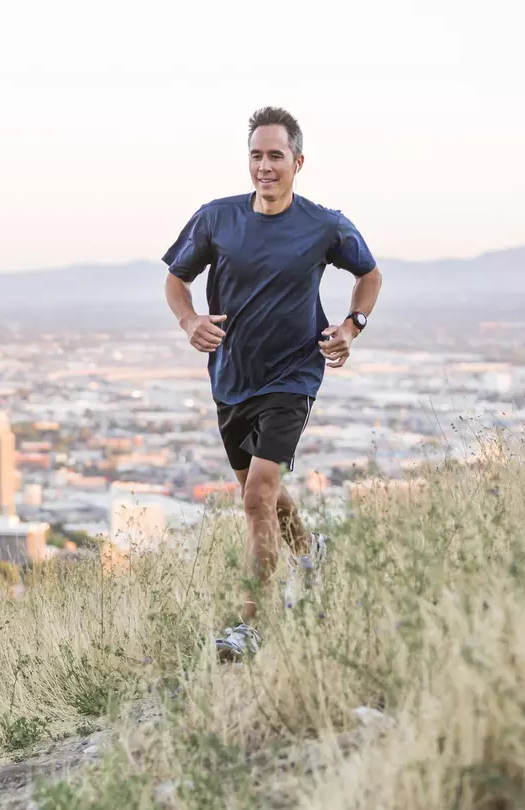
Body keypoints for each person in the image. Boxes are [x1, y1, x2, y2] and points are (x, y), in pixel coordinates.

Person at [162, 106, 383, 658]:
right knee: (258, 494)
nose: (265, 166)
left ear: (297, 161)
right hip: (232, 378)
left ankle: (250, 626)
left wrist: (352, 326)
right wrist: (190, 321)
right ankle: (310, 552)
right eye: (256, 155)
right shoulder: (216, 219)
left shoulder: (324, 224)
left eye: (276, 156)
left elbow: (369, 275)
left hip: (294, 374)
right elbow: (176, 280)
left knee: (257, 497)